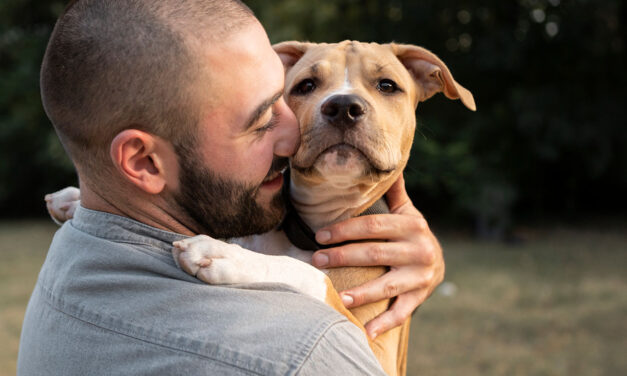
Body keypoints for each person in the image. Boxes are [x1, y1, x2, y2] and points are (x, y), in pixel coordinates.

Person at [17, 0, 444, 374]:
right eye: (261, 118)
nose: (289, 132)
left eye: (386, 86)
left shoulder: (79, 255)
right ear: (143, 164)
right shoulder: (309, 355)